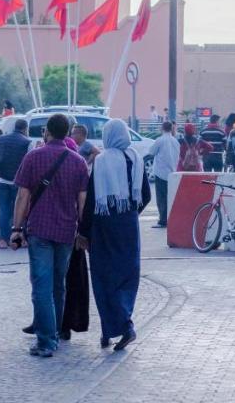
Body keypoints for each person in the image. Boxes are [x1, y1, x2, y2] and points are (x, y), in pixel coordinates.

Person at [11, 113, 89, 357]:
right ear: (67, 133)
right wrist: (82, 231)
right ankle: (54, 332)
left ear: (47, 131)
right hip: (66, 231)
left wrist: (15, 229)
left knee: (41, 287)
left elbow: (23, 196)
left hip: (40, 230)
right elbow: (83, 201)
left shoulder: (33, 157)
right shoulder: (78, 162)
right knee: (58, 285)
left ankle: (46, 341)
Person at [77, 118, 150, 353]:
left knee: (103, 277)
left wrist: (83, 232)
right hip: (128, 225)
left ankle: (124, 327)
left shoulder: (101, 161)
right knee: (127, 276)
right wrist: (129, 212)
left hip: (104, 225)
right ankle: (110, 329)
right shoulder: (136, 159)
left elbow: (90, 201)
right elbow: (146, 195)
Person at [0, 117, 31, 248]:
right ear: (25, 129)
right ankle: (21, 240)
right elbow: (29, 161)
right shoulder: (27, 142)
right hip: (18, 182)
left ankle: (3, 240)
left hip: (2, 180)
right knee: (20, 209)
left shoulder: (2, 138)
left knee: (4, 211)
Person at [149, 120, 180, 228]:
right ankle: (170, 219)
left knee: (161, 198)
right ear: (171, 128)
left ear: (162, 128)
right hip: (172, 172)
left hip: (160, 172)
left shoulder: (160, 140)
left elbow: (151, 152)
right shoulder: (175, 141)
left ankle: (162, 221)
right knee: (169, 197)